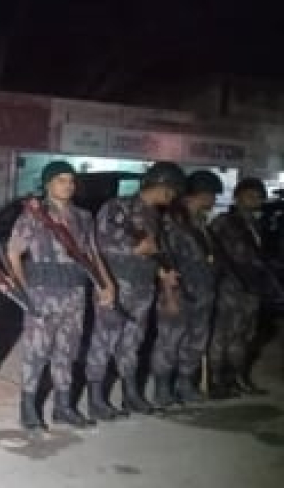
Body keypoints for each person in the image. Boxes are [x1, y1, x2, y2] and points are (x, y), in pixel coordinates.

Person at [8, 160, 114, 430]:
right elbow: (13, 253)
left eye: (71, 181)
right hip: (42, 293)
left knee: (67, 352)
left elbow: (92, 254)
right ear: (47, 184)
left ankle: (63, 407)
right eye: (61, 180)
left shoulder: (83, 217)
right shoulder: (34, 214)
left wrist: (106, 284)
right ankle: (28, 409)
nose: (68, 186)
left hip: (74, 293)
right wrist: (23, 290)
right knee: (36, 353)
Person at [85, 161, 185, 419]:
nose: (173, 196)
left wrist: (164, 272)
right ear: (161, 184)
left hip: (143, 286)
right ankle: (95, 398)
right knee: (104, 340)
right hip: (116, 283)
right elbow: (97, 245)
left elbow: (157, 253)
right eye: (172, 190)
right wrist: (135, 250)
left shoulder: (155, 216)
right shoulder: (117, 206)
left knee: (132, 343)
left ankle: (130, 394)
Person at [151, 171, 222, 407]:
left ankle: (185, 385)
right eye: (211, 195)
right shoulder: (172, 223)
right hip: (179, 292)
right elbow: (165, 263)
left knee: (196, 342)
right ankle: (162, 388)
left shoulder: (200, 223)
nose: (213, 200)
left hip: (203, 292)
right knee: (169, 342)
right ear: (199, 195)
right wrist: (169, 297)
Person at [209, 177, 270, 397]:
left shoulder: (257, 225)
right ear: (237, 197)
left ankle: (237, 378)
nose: (255, 199)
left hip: (251, 288)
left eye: (258, 196)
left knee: (244, 336)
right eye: (249, 195)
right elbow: (212, 254)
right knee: (222, 335)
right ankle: (216, 381)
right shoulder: (224, 222)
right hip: (229, 287)